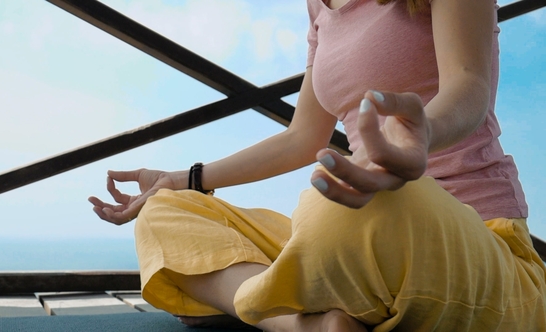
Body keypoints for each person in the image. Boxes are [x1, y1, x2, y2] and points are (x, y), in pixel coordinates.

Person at [89, 0, 546, 330]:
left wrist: (423, 132)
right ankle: (304, 325)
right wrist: (181, 180)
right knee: (166, 212)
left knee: (343, 210)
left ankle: (277, 305)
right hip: (350, 220)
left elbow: (469, 84)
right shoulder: (320, 9)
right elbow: (302, 137)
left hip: (468, 233)